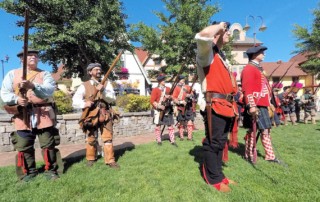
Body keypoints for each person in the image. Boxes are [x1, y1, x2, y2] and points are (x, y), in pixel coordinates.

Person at [0, 49, 63, 182]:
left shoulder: (44, 74)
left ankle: (51, 170)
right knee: (24, 146)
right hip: (22, 115)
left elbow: (49, 90)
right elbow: (4, 93)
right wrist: (16, 99)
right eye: (29, 56)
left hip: (43, 114)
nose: (33, 57)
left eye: (35, 55)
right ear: (21, 59)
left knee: (48, 144)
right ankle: (29, 172)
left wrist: (33, 86)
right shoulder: (12, 74)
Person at [195, 21, 238, 192]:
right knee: (213, 143)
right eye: (226, 31)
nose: (228, 33)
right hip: (215, 104)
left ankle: (219, 175)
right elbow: (203, 35)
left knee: (220, 142)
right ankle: (213, 179)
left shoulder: (221, 55)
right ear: (218, 32)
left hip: (226, 104)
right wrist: (220, 26)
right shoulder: (207, 52)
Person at [72, 63, 120, 168]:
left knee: (108, 138)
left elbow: (112, 99)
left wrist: (103, 90)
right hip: (90, 115)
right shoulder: (84, 85)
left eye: (99, 69)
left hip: (105, 113)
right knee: (91, 138)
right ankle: (91, 159)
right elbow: (75, 101)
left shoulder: (107, 84)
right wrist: (85, 104)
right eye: (95, 69)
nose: (98, 71)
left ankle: (110, 160)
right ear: (90, 72)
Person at [241, 45, 280, 164]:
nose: (264, 54)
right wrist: (251, 105)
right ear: (254, 54)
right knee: (253, 131)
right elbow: (247, 88)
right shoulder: (249, 69)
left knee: (266, 130)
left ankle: (270, 155)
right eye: (262, 52)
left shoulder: (258, 68)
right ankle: (248, 154)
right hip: (256, 104)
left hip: (263, 104)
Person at [150, 74, 177, 146]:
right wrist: (159, 106)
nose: (164, 81)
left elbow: (172, 97)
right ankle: (159, 140)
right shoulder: (155, 90)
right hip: (159, 111)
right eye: (163, 80)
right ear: (160, 81)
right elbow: (152, 101)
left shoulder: (168, 89)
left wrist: (170, 97)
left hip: (167, 110)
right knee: (158, 126)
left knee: (170, 126)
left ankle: (172, 140)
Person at [172, 75, 195, 141]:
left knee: (190, 121)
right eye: (182, 79)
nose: (183, 80)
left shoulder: (187, 87)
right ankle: (181, 136)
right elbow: (174, 97)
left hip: (188, 106)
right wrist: (180, 102)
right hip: (181, 107)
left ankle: (189, 136)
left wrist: (189, 95)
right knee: (181, 122)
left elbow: (192, 95)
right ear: (179, 80)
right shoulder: (176, 88)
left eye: (183, 79)